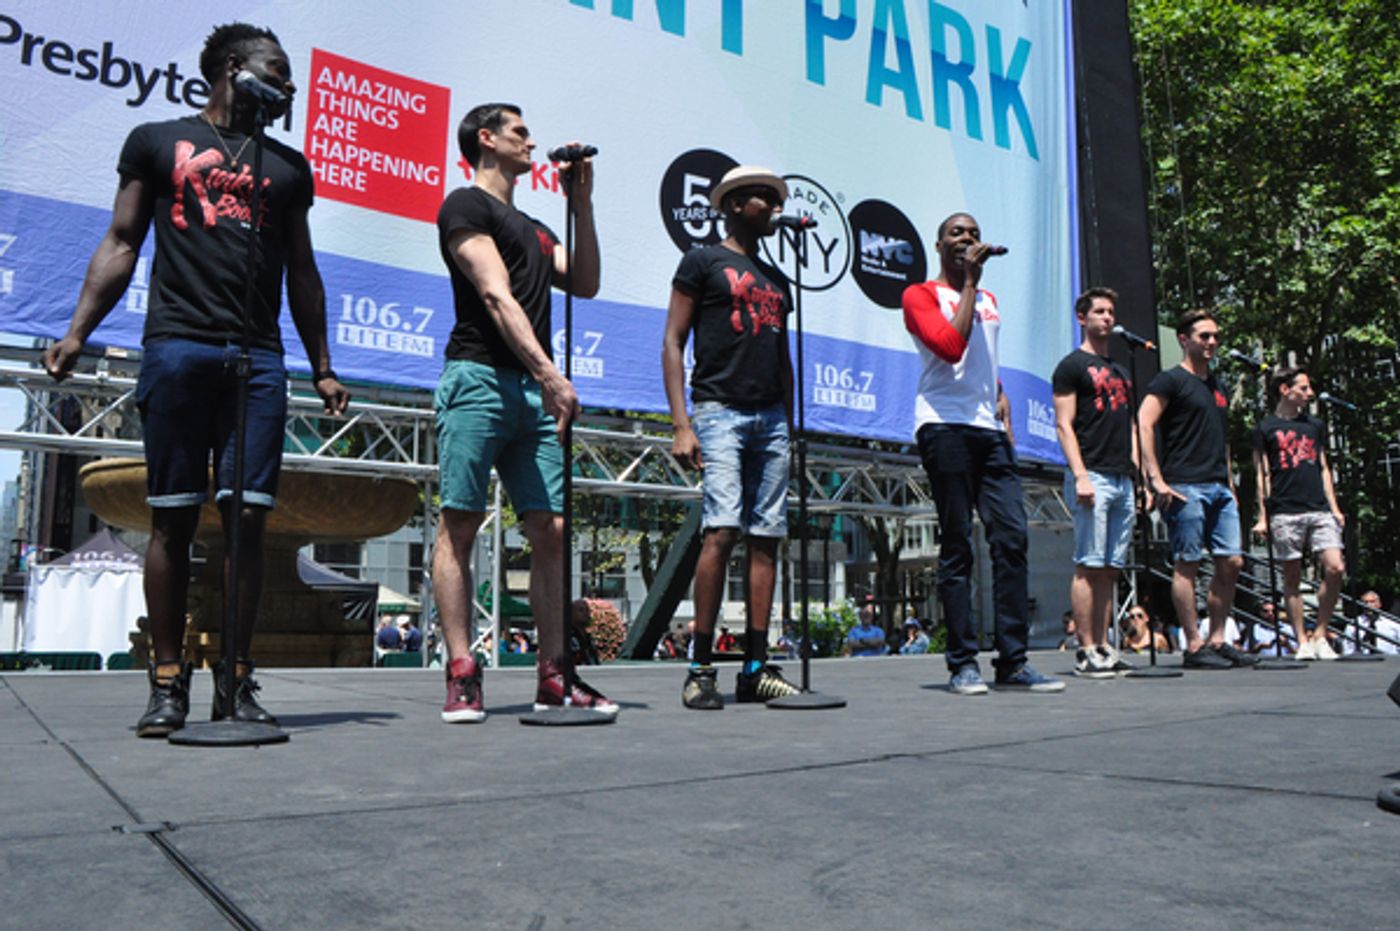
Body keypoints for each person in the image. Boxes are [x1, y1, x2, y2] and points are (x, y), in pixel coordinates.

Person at [42, 23, 349, 737]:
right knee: (173, 520)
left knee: (248, 522)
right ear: (234, 69)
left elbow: (302, 271)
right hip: (178, 348)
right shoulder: (157, 140)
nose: (290, 86)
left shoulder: (289, 168)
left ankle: (236, 683)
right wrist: (78, 330)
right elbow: (122, 241)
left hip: (259, 359)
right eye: (279, 71)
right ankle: (167, 684)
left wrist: (324, 366)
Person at [431, 103, 614, 722]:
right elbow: (493, 293)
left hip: (533, 393)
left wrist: (581, 203)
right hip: (480, 378)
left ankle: (554, 675)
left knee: (551, 530)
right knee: (460, 521)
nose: (531, 141)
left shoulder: (537, 225)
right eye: (520, 131)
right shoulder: (465, 204)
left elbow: (585, 281)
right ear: (487, 139)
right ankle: (461, 671)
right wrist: (549, 373)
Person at [902, 213, 1063, 694]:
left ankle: (1013, 661)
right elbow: (951, 348)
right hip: (943, 425)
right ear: (939, 245)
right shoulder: (920, 295)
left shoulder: (990, 300)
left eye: (973, 233)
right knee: (956, 546)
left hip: (988, 429)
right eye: (957, 233)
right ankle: (962, 664)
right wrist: (969, 281)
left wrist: (1001, 400)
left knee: (1012, 539)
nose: (968, 239)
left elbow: (980, 363)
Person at [662, 164, 802, 710]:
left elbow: (783, 358)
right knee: (721, 530)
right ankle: (699, 667)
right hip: (718, 411)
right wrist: (681, 423)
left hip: (770, 418)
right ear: (734, 203)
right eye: (763, 199)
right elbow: (673, 341)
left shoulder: (777, 281)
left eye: (774, 199)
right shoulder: (702, 260)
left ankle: (755, 667)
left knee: (766, 536)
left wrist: (790, 425)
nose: (772, 207)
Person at [1137, 309, 1255, 670]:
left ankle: (1218, 639)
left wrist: (1231, 482)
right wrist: (1155, 479)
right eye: (1204, 336)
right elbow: (1143, 421)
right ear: (1184, 340)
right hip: (1184, 484)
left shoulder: (1217, 387)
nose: (1212, 342)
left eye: (1215, 336)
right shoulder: (1169, 381)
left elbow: (1223, 440)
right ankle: (1193, 644)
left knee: (1232, 561)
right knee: (1187, 563)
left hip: (1219, 485)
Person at [1052, 287, 1139, 679]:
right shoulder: (1071, 366)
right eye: (1100, 311)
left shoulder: (1121, 370)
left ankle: (1104, 644)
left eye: (1111, 311)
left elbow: (1132, 426)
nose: (1108, 317)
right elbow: (1063, 424)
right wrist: (1081, 474)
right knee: (1088, 564)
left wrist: (1139, 477)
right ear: (1081, 317)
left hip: (1122, 477)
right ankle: (1085, 648)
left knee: (1109, 567)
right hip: (1094, 474)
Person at [1250, 367, 1346, 662]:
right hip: (1284, 508)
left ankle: (1320, 633)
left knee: (1335, 568)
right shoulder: (1265, 428)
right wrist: (1263, 515)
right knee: (1291, 577)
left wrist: (1335, 508)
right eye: (1303, 388)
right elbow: (1261, 473)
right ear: (1285, 389)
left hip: (1317, 506)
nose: (1309, 393)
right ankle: (1301, 639)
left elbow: (1323, 467)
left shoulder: (1314, 425)